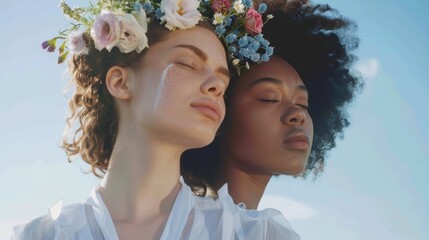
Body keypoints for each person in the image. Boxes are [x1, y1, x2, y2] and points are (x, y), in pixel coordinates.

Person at [11, 0, 274, 239]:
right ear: (121, 82)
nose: (216, 86)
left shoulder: (253, 233)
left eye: (223, 81)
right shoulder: (41, 235)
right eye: (188, 64)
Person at [181, 0, 362, 238]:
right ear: (219, 113)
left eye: (303, 103)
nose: (297, 115)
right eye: (268, 98)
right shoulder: (177, 224)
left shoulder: (271, 233)